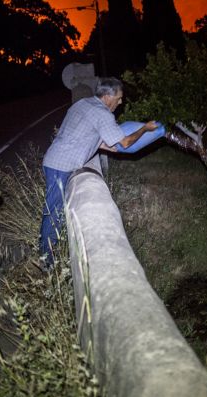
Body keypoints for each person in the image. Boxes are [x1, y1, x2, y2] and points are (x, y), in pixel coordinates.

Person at [39, 77, 160, 267]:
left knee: (56, 210)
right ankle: (47, 261)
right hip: (61, 166)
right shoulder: (103, 115)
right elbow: (125, 142)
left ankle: (50, 254)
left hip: (54, 160)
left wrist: (116, 147)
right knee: (53, 213)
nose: (121, 102)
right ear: (107, 97)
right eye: (119, 98)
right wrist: (145, 128)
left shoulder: (83, 104)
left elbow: (96, 140)